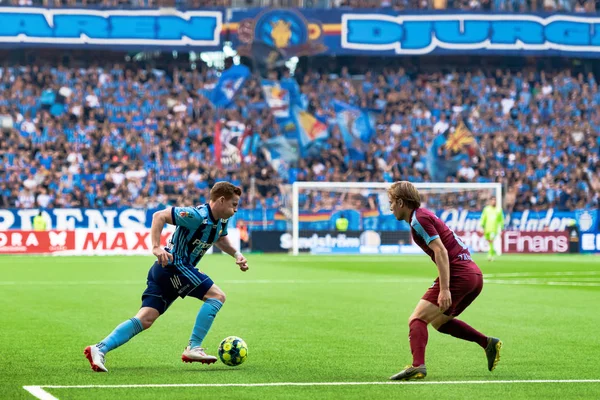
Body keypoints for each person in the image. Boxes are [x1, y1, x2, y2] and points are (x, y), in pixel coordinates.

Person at [84, 182, 248, 372]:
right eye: (234, 204)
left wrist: (236, 254)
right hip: (174, 266)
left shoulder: (221, 220)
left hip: (164, 271)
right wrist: (155, 246)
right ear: (221, 200)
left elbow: (219, 238)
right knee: (217, 296)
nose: (236, 209)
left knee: (145, 318)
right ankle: (193, 347)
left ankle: (99, 348)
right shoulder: (197, 216)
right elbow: (159, 216)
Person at [387, 181, 501, 381]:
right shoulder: (423, 216)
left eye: (391, 202)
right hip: (473, 275)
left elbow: (441, 250)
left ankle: (417, 366)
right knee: (439, 322)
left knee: (417, 319)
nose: (390, 207)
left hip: (459, 274)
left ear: (401, 202)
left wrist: (445, 289)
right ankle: (488, 343)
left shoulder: (418, 220)